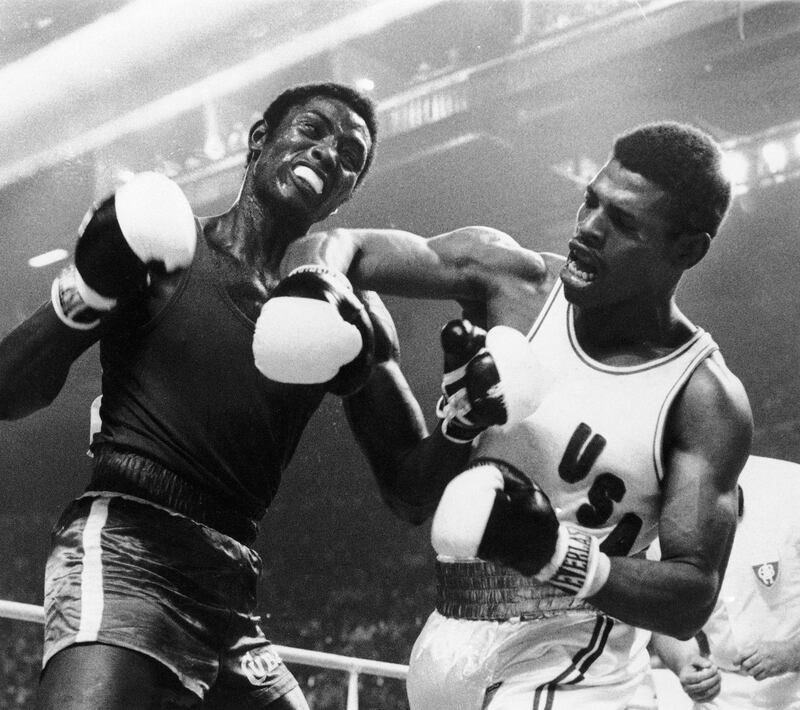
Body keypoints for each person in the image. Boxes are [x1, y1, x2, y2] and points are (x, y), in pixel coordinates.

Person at [0, 82, 463, 710]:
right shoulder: (164, 249)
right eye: (312, 129)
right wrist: (86, 291)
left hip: (231, 587)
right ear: (259, 141)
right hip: (127, 542)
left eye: (350, 154)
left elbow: (409, 493)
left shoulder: (341, 304)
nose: (330, 153)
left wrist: (462, 413)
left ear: (347, 194)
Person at [283, 120, 754, 709]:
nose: (588, 228)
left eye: (623, 222)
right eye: (591, 200)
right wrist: (313, 285)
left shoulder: (703, 398)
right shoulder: (515, 279)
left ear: (688, 250)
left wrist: (555, 552)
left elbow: (692, 596)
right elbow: (337, 245)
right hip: (446, 638)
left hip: (575, 666)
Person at [649, 455, 800, 709]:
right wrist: (685, 663)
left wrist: (793, 653)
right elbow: (663, 618)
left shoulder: (792, 486)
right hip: (722, 696)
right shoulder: (652, 515)